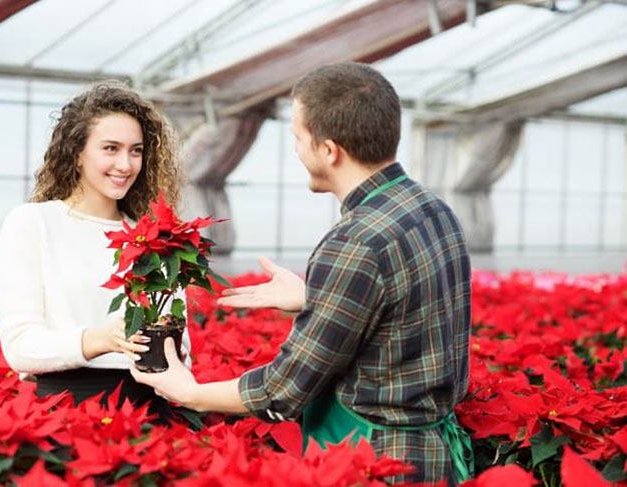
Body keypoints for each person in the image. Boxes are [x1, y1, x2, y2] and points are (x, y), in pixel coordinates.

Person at [128, 62, 473, 485]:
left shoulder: (355, 242)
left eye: (298, 137)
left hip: (374, 464)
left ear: (329, 151)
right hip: (434, 457)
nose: (295, 149)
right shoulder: (435, 210)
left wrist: (189, 392)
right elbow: (409, 317)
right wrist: (315, 298)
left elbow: (282, 390)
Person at [0, 81, 190, 414]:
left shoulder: (153, 237)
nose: (126, 165)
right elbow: (20, 346)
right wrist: (103, 339)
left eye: (136, 150)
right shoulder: (33, 223)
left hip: (148, 408)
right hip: (65, 409)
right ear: (77, 152)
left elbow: (182, 346)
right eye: (110, 148)